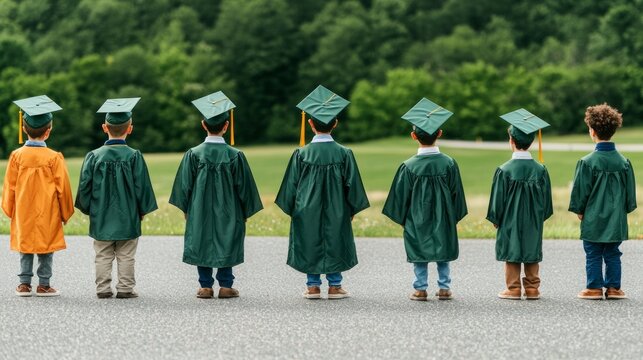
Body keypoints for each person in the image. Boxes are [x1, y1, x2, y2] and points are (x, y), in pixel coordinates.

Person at [275, 85, 370, 300]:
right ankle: (335, 286)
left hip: (306, 208)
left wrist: (294, 209)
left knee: (310, 238)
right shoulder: (345, 153)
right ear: (335, 123)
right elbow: (353, 185)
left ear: (309, 124)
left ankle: (313, 286)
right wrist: (351, 208)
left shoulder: (301, 154)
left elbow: (290, 186)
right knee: (335, 237)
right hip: (338, 207)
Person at [169, 91, 263, 299]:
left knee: (202, 237)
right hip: (230, 208)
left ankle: (205, 286)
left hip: (199, 207)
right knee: (227, 236)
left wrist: (186, 208)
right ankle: (226, 285)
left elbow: (184, 186)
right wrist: (246, 209)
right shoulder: (235, 155)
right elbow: (245, 187)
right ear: (226, 126)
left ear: (203, 125)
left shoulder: (193, 154)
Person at [382, 98, 467, 301]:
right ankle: (445, 288)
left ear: (413, 136)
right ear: (440, 133)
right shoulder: (449, 163)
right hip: (444, 216)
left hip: (417, 218)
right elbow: (457, 194)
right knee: (443, 248)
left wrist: (405, 220)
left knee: (419, 250)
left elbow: (399, 198)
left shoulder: (409, 166)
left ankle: (420, 289)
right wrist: (451, 217)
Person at [75, 98, 158, 299]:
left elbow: (84, 187)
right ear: (130, 128)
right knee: (126, 254)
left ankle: (103, 289)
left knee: (102, 254)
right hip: (127, 215)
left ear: (105, 127)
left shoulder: (93, 156)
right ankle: (125, 288)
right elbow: (142, 187)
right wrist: (142, 210)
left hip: (101, 215)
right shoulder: (134, 156)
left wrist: (89, 209)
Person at [2, 95, 74, 297]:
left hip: (23, 210)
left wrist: (9, 209)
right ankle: (44, 284)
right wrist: (65, 213)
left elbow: (9, 186)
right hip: (48, 210)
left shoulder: (16, 156)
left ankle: (24, 284)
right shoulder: (54, 157)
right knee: (46, 246)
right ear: (49, 130)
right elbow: (64, 189)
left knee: (25, 245)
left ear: (24, 128)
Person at [569, 104, 637, 300]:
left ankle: (594, 288)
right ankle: (614, 288)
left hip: (593, 217)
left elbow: (580, 192)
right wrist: (622, 210)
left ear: (592, 131)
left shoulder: (587, 162)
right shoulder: (624, 162)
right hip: (616, 218)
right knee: (613, 253)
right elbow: (629, 196)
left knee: (593, 252)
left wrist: (579, 210)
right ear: (614, 130)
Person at [487, 109, 553, 300]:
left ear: (511, 141)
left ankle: (513, 288)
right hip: (533, 219)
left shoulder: (504, 170)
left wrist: (496, 218)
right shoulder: (540, 170)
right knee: (532, 249)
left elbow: (497, 199)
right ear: (531, 142)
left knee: (512, 249)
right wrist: (540, 216)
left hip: (509, 219)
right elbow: (547, 202)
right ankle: (532, 288)